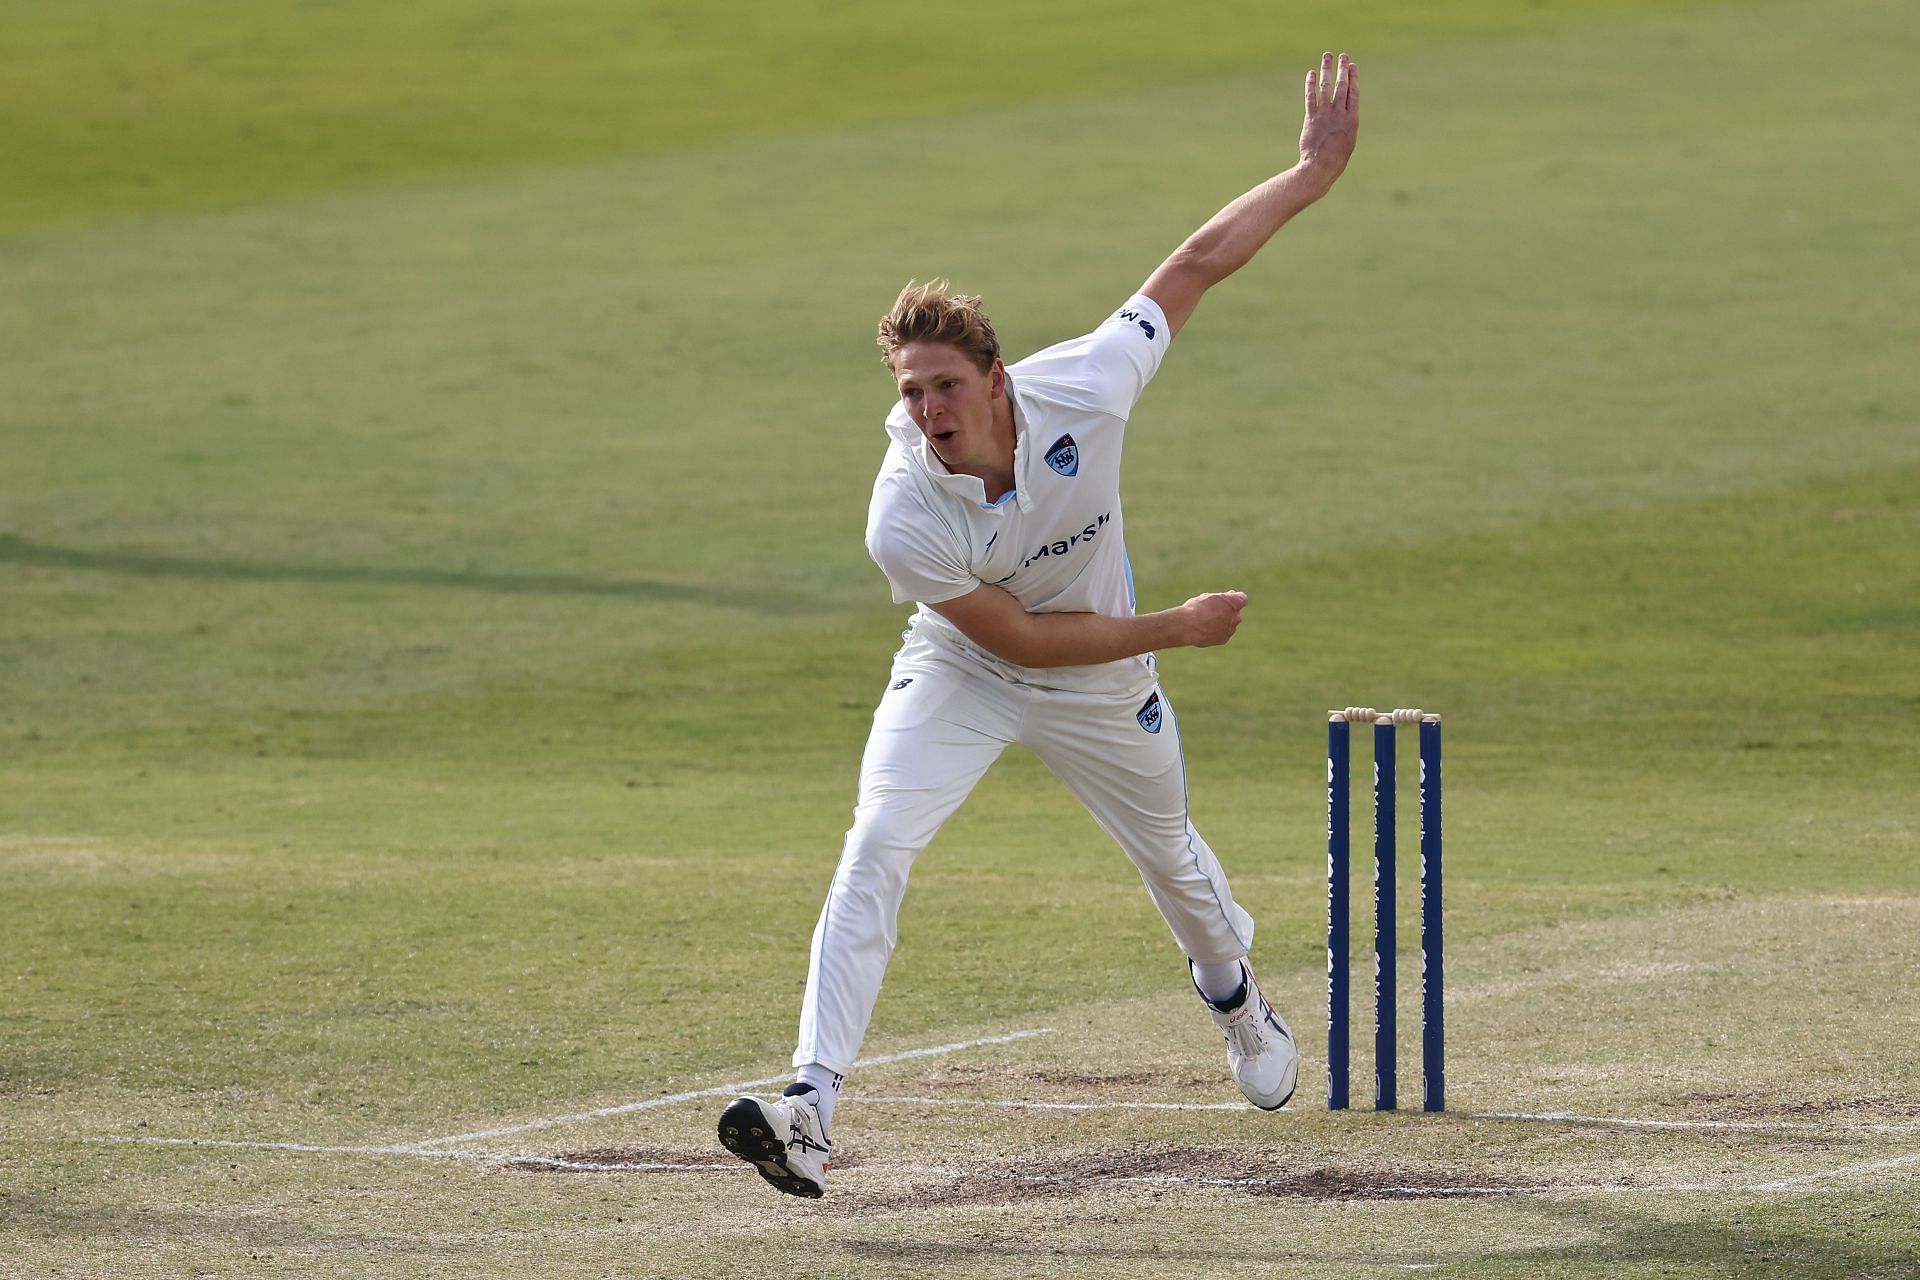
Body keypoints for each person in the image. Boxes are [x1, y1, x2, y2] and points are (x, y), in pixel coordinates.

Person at [719, 52, 1361, 1199]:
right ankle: (810, 1102)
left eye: (945, 387)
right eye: (911, 392)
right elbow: (1014, 639)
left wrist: (1309, 174)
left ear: (998, 377)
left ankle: (1238, 1001)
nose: (927, 414)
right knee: (876, 842)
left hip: (1107, 685)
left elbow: (1195, 264)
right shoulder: (902, 514)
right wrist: (1176, 621)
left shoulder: (1087, 385)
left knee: (1174, 860)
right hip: (971, 663)